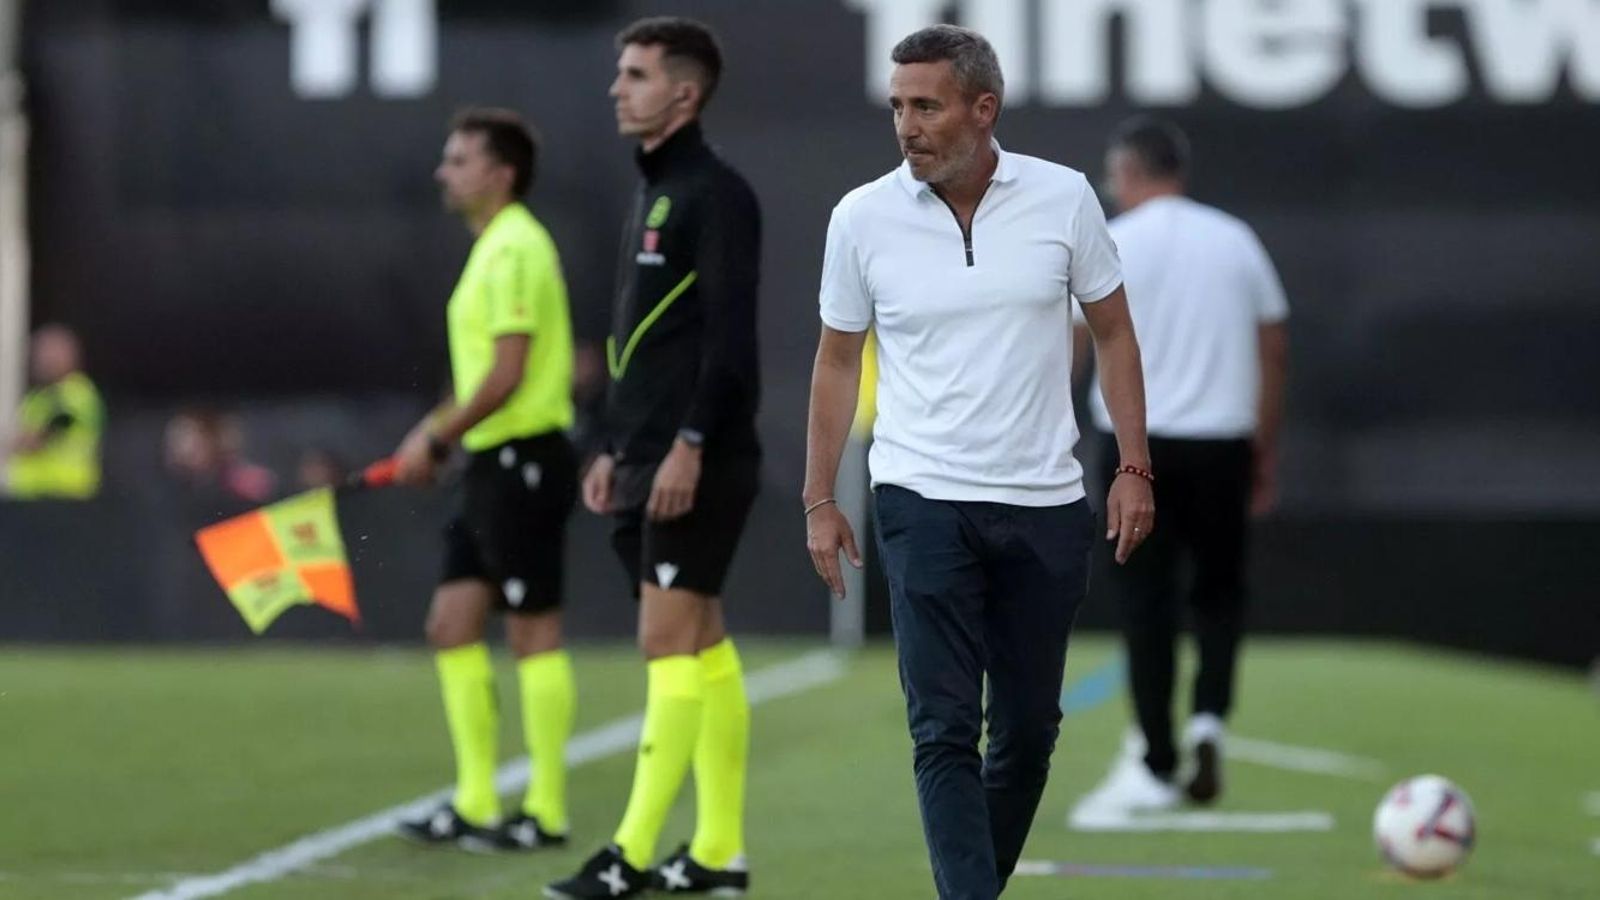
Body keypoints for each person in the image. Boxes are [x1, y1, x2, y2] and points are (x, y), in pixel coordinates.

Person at [804, 25, 1156, 900]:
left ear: (983, 108)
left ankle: (975, 885)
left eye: (926, 105)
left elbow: (1114, 332)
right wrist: (818, 495)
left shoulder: (1065, 197)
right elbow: (837, 358)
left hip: (1044, 501)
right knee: (943, 727)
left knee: (1030, 729)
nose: (906, 125)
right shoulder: (861, 216)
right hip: (920, 498)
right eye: (897, 107)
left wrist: (1134, 466)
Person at [546, 17, 760, 899]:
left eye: (634, 74)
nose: (616, 88)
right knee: (702, 644)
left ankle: (631, 855)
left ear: (685, 91)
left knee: (665, 642)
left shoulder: (717, 193)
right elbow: (644, 342)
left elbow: (730, 347)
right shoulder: (651, 190)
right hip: (644, 454)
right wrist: (610, 445)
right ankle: (718, 854)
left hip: (696, 461)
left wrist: (689, 447)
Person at [1073, 116, 1289, 813]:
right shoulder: (1235, 240)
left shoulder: (1113, 240)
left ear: (1129, 173)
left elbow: (1074, 342)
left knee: (1145, 603)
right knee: (1219, 594)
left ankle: (1157, 757)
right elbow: (1273, 346)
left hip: (1138, 449)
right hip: (1222, 442)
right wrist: (1264, 445)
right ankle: (1208, 720)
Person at [390, 108, 580, 853]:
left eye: (460, 159)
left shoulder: (514, 249)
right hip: (491, 461)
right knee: (451, 625)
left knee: (534, 631)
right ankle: (474, 802)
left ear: (500, 174)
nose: (445, 171)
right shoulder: (493, 248)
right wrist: (440, 442)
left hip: (525, 456)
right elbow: (485, 377)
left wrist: (435, 432)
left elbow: (506, 374)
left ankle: (547, 810)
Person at [4, 325, 103, 500]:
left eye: (50, 354)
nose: (43, 360)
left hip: (63, 496)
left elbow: (35, 440)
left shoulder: (75, 396)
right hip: (32, 497)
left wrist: (12, 444)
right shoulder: (39, 397)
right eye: (39, 354)